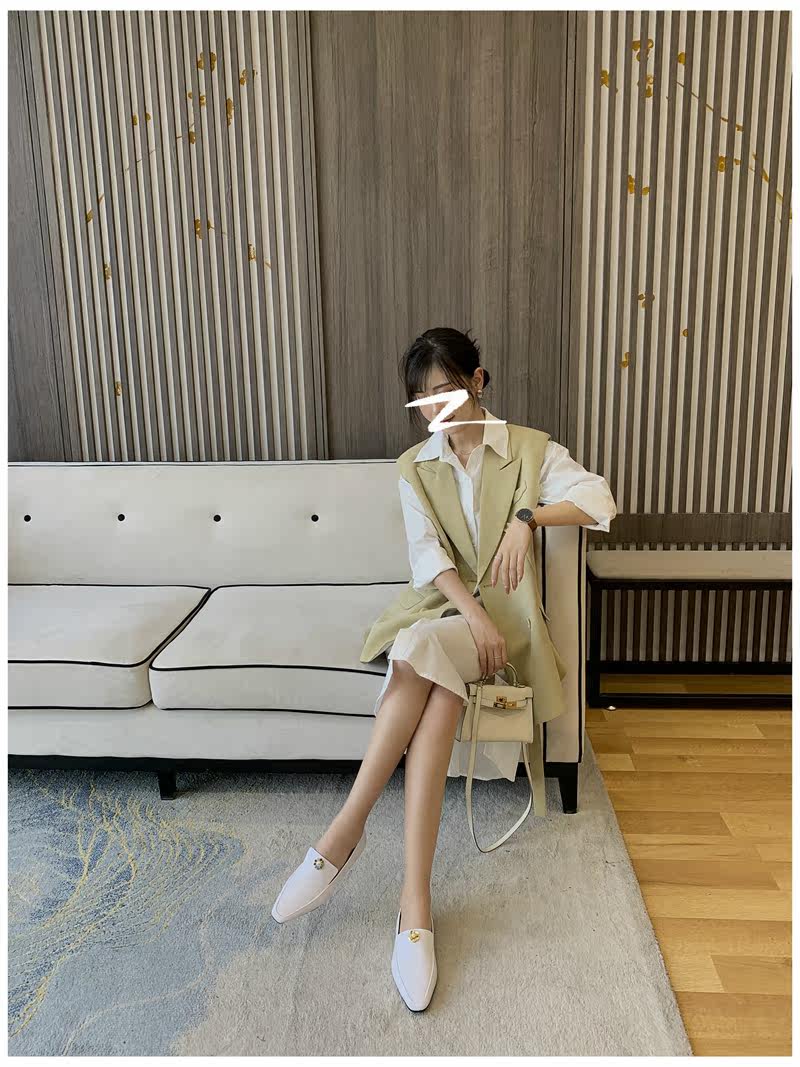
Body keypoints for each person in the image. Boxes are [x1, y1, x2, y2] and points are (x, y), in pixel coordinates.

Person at [271, 327, 617, 1012]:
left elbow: (600, 500)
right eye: (423, 400)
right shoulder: (415, 466)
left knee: (419, 655)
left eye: (447, 392)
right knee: (433, 672)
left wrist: (527, 518)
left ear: (478, 382)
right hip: (448, 614)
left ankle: (344, 833)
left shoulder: (528, 449)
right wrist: (473, 617)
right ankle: (415, 905)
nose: (435, 410)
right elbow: (427, 557)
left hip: (507, 629)